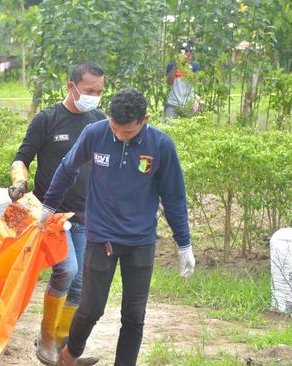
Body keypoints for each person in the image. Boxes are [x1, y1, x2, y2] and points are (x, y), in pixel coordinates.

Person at [40, 88, 196, 366]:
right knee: (91, 309)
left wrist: (184, 244)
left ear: (145, 120)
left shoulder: (161, 146)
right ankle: (69, 355)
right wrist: (49, 206)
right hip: (102, 238)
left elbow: (174, 197)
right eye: (115, 127)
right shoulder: (95, 134)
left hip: (141, 241)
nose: (119, 135)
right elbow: (67, 168)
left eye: (128, 132)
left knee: (134, 316)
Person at [9, 62, 105, 366]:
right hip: (51, 217)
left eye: (100, 91)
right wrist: (19, 183)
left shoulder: (99, 121)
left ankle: (65, 349)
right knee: (68, 271)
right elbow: (21, 158)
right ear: (71, 87)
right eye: (89, 90)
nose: (95, 96)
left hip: (86, 217)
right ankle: (46, 339)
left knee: (79, 286)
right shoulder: (46, 119)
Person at [164, 42, 201, 119]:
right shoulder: (171, 66)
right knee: (168, 126)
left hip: (188, 105)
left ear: (190, 54)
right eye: (181, 51)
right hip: (173, 104)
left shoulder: (195, 66)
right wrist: (176, 66)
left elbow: (195, 80)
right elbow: (169, 83)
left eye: (186, 51)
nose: (183, 54)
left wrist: (186, 65)